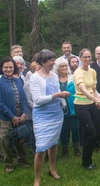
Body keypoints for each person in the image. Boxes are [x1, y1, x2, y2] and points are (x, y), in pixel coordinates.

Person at [30, 50, 70, 184]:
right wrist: (58, 95)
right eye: (51, 60)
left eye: (54, 59)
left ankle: (52, 169)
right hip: (42, 115)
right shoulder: (35, 77)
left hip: (56, 114)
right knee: (41, 148)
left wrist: (62, 96)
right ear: (42, 62)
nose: (54, 62)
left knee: (53, 144)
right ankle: (37, 178)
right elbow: (38, 99)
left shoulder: (53, 76)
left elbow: (57, 92)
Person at [0, 57, 30, 173]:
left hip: (20, 116)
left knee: (21, 139)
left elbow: (24, 98)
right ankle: (8, 164)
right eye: (6, 67)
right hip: (7, 118)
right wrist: (12, 117)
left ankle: (22, 160)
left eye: (11, 67)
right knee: (6, 141)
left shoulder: (18, 81)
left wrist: (24, 113)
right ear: (2, 68)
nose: (9, 69)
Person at [73, 48, 100, 170]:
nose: (87, 59)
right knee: (90, 133)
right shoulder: (78, 72)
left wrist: (98, 100)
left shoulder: (92, 71)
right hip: (81, 105)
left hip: (92, 104)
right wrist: (95, 99)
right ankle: (86, 162)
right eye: (85, 57)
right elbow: (84, 90)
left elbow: (94, 89)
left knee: (95, 132)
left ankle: (87, 159)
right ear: (80, 58)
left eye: (89, 56)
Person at [54, 57, 81, 158]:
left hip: (73, 106)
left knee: (75, 128)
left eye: (65, 65)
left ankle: (77, 150)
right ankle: (65, 151)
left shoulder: (72, 77)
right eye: (61, 66)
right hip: (60, 108)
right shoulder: (54, 79)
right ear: (57, 68)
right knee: (63, 129)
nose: (64, 67)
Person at [23, 62, 42, 152]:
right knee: (34, 133)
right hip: (33, 113)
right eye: (38, 70)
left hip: (43, 112)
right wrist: (38, 106)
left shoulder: (43, 82)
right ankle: (35, 150)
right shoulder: (27, 84)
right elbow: (28, 100)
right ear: (32, 72)